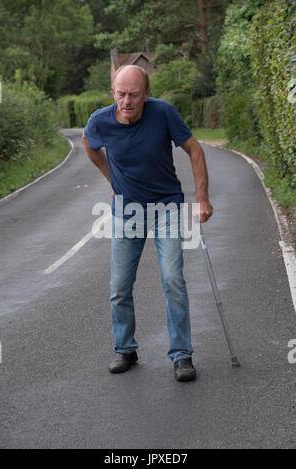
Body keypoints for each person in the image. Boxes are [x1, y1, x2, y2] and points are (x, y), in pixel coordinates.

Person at [82, 65, 213, 382]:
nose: (127, 102)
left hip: (166, 207)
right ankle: (125, 348)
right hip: (126, 211)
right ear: (113, 92)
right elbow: (90, 144)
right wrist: (111, 179)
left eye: (134, 95)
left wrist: (203, 198)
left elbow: (194, 150)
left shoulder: (163, 113)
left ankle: (182, 355)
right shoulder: (100, 120)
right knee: (119, 287)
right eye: (121, 94)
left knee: (173, 280)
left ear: (147, 94)